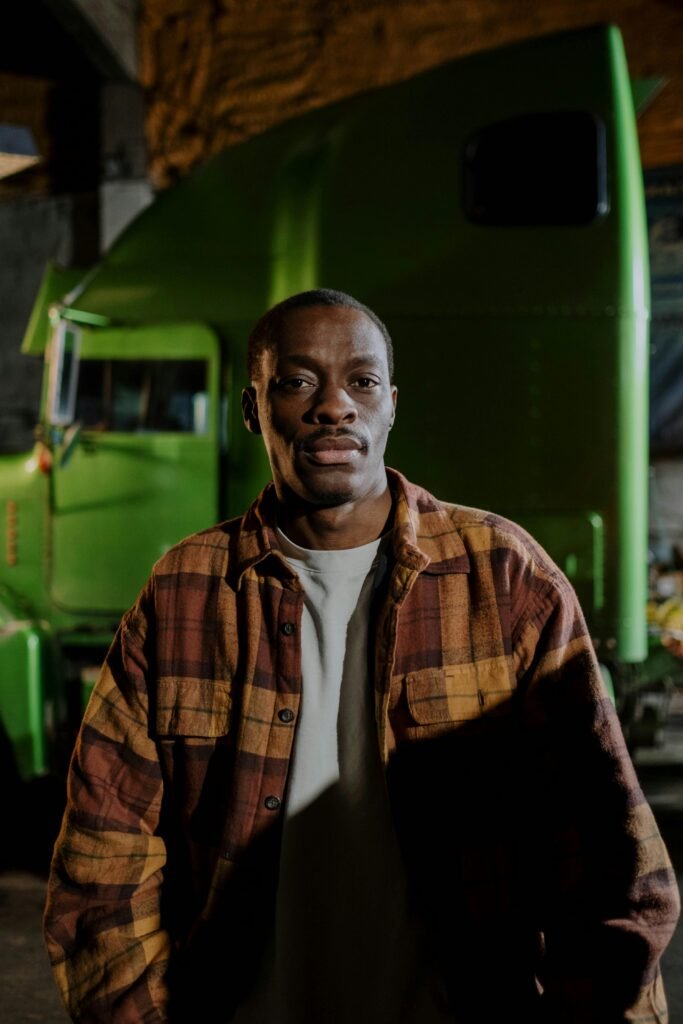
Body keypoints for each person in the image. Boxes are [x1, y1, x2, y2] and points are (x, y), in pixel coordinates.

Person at [45, 288, 679, 1023]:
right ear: (253, 409)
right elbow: (102, 862)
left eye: (362, 382)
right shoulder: (186, 591)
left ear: (390, 405)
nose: (334, 406)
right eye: (297, 380)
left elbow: (608, 859)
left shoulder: (503, 578)